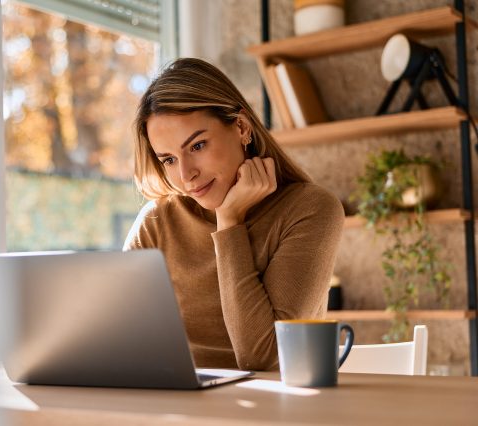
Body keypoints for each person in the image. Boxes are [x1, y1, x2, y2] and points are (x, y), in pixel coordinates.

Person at [123, 58, 344, 371]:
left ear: (241, 127)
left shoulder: (310, 209)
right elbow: (117, 337)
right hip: (177, 409)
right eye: (169, 160)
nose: (186, 175)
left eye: (197, 145)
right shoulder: (157, 222)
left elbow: (263, 358)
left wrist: (228, 223)